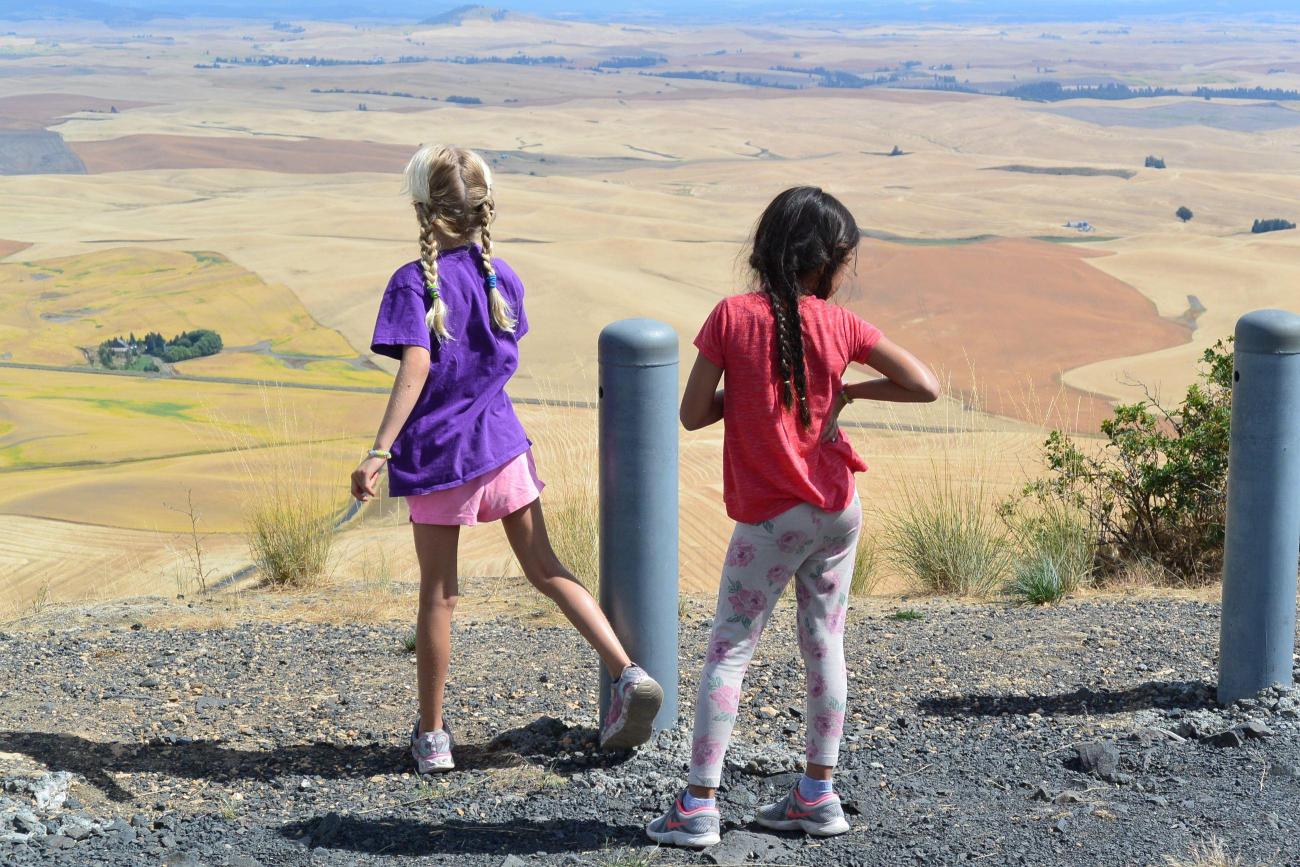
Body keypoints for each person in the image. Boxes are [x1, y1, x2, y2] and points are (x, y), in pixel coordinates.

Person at [351, 144, 663, 773]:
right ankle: (627, 674)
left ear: (423, 209)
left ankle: (433, 738)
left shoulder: (414, 283)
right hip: (502, 446)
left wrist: (378, 451)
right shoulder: (503, 277)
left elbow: (417, 366)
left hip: (441, 457)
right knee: (547, 567)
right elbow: (496, 354)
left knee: (438, 596)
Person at [646, 186, 940, 847]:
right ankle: (818, 793)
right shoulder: (842, 327)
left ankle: (697, 805)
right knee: (824, 642)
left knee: (730, 650)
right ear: (829, 260)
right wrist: (847, 389)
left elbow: (692, 412)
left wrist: (752, 394)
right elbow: (925, 383)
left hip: (769, 519)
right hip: (836, 508)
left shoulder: (732, 317)